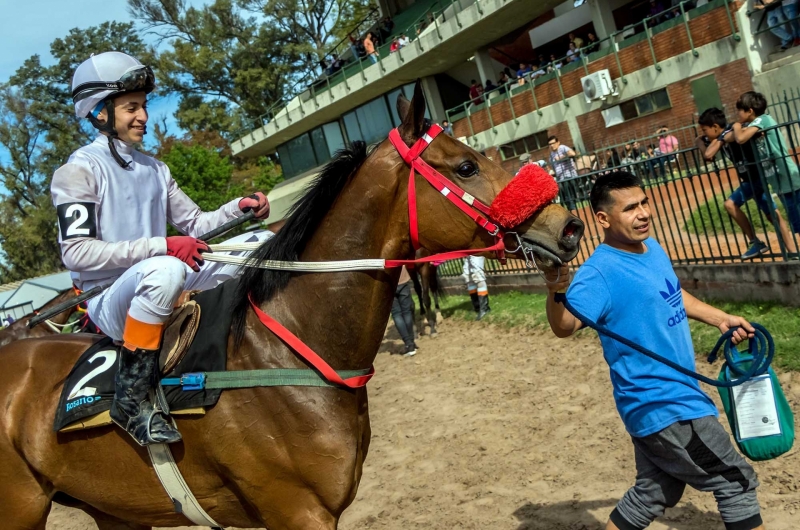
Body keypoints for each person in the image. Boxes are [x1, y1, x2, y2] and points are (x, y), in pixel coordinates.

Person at [52, 52, 273, 446]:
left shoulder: (156, 169)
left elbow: (198, 225)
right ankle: (132, 399)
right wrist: (162, 245)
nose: (143, 117)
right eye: (131, 107)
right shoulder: (77, 171)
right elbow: (77, 253)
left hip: (159, 278)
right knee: (165, 269)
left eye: (144, 106)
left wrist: (238, 207)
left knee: (262, 243)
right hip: (109, 298)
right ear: (100, 113)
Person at [545, 171, 765, 530]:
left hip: (662, 406)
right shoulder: (598, 273)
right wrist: (555, 284)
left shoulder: (652, 247)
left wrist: (720, 318)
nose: (643, 212)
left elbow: (672, 293)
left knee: (653, 491)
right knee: (736, 482)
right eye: (631, 208)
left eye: (644, 202)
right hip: (665, 406)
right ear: (603, 219)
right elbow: (564, 326)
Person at [698, 107, 794, 259]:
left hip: (756, 177)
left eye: (705, 130)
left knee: (730, 204)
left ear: (715, 127)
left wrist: (717, 140)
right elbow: (708, 155)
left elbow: (709, 153)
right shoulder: (718, 137)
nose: (704, 134)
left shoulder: (731, 130)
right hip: (751, 179)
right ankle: (793, 251)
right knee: (772, 214)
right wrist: (700, 141)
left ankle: (756, 242)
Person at [733, 91, 800, 256]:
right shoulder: (754, 125)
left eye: (740, 110)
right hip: (781, 184)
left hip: (790, 178)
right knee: (797, 222)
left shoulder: (763, 119)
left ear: (750, 111)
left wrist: (736, 127)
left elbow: (740, 139)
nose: (737, 114)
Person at [391, 266, 418, 356]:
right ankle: (411, 343)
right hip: (403, 278)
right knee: (407, 312)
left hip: (389, 282)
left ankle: (408, 344)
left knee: (396, 314)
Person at [549, 135, 578, 210]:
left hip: (569, 175)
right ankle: (570, 206)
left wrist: (561, 157)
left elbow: (572, 153)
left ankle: (572, 207)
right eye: (550, 144)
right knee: (561, 191)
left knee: (567, 189)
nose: (552, 145)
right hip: (560, 177)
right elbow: (555, 167)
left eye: (553, 143)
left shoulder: (562, 147)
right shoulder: (551, 155)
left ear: (558, 142)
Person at [462, 255, 490, 320]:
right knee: (468, 277)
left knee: (478, 275)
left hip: (476, 250)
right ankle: (477, 306)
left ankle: (484, 309)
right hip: (468, 252)